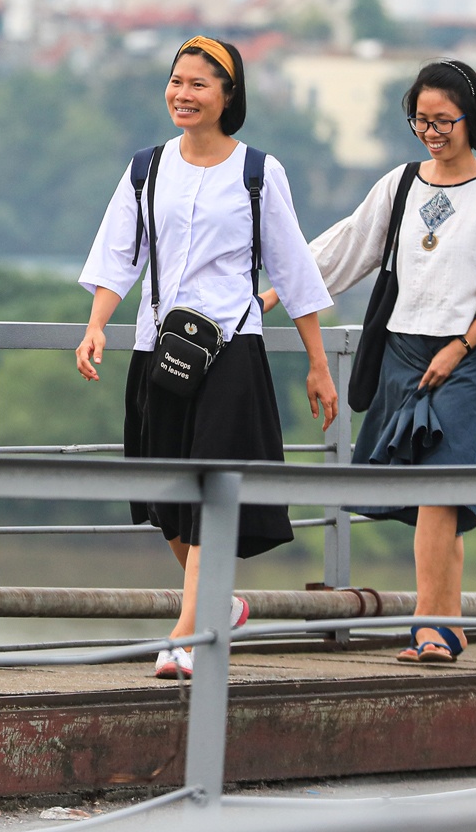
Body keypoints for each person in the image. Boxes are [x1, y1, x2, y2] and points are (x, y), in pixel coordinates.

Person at [75, 36, 338, 680]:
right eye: (177, 81)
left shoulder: (257, 172)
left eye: (199, 84)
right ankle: (219, 604)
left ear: (228, 97)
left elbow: (292, 268)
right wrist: (95, 327)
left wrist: (317, 361)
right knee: (166, 498)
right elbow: (119, 255)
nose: (183, 94)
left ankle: (184, 636)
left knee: (209, 493)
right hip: (158, 346)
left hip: (232, 346)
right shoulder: (146, 168)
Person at [266, 59, 476, 663]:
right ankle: (453, 624)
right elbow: (348, 244)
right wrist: (276, 289)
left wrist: (461, 346)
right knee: (430, 492)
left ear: (473, 120)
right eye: (421, 120)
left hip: (466, 356)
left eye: (444, 120)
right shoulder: (402, 184)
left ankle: (428, 628)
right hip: (401, 351)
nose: (432, 132)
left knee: (439, 488)